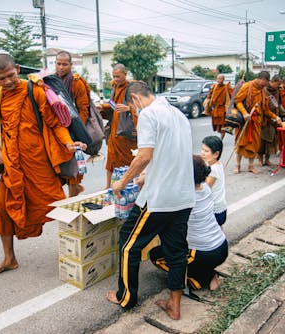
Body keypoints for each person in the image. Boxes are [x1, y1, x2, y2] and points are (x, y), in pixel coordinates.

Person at [0, 54, 81, 277]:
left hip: (38, 162)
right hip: (11, 163)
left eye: (11, 75)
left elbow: (54, 123)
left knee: (57, 206)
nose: (7, 82)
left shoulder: (34, 91)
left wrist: (68, 143)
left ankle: (82, 248)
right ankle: (9, 258)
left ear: (17, 69)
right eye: (1, 78)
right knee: (2, 210)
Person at [106, 81, 195, 320]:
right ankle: (174, 305)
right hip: (183, 196)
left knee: (128, 244)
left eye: (131, 106)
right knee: (176, 252)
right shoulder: (178, 115)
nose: (133, 111)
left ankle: (126, 297)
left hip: (158, 199)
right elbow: (171, 154)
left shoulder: (148, 114)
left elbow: (144, 156)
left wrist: (122, 182)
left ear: (135, 98)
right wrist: (147, 175)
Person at [150, 155, 228, 292]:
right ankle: (207, 271)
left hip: (203, 253)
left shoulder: (184, 197)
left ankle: (200, 278)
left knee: (156, 255)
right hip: (222, 246)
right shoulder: (205, 188)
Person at [55, 50, 90, 197]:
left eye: (65, 64)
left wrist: (77, 130)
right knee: (59, 170)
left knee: (74, 172)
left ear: (71, 65)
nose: (61, 67)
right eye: (58, 63)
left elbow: (83, 108)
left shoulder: (76, 82)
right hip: (57, 130)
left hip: (74, 131)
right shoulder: (50, 81)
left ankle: (73, 200)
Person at [233, 71, 281, 174]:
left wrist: (275, 117)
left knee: (254, 145)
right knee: (240, 144)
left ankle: (250, 166)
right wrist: (245, 113)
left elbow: (265, 109)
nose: (266, 85)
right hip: (245, 121)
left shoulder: (263, 91)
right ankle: (238, 166)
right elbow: (237, 101)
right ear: (262, 79)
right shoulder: (248, 86)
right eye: (265, 82)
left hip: (256, 122)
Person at [98, 64, 138, 188]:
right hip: (115, 132)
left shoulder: (133, 88)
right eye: (114, 76)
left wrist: (128, 108)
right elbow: (113, 105)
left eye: (118, 77)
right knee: (111, 160)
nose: (116, 79)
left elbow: (142, 106)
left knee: (130, 161)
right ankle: (108, 185)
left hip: (127, 133)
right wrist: (102, 107)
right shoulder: (115, 87)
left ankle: (131, 184)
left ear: (125, 75)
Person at [201, 136, 227, 226]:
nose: (202, 153)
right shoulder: (217, 164)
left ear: (216, 154)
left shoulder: (214, 170)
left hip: (215, 212)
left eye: (206, 151)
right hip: (220, 208)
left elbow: (204, 188)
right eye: (202, 150)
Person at [258, 75, 282, 166]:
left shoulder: (277, 91)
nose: (279, 86)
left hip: (273, 119)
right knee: (261, 141)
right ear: (272, 82)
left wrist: (283, 114)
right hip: (263, 118)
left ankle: (267, 159)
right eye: (278, 84)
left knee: (271, 141)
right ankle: (260, 159)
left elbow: (278, 105)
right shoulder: (264, 90)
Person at [204, 74, 233, 139]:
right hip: (215, 110)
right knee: (217, 126)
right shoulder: (214, 87)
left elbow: (233, 96)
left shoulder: (227, 87)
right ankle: (221, 134)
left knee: (223, 125)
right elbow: (209, 96)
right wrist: (207, 103)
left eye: (220, 79)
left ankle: (221, 138)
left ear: (223, 79)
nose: (219, 80)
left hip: (223, 109)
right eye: (218, 79)